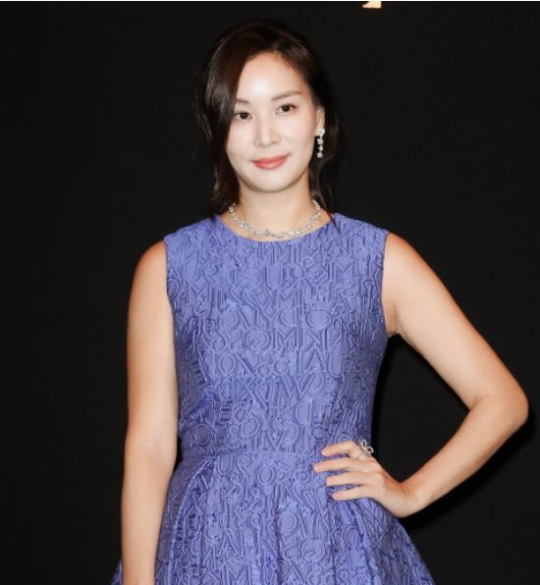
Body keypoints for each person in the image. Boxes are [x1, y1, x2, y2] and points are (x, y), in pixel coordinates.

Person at [111, 17, 528, 585]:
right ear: (218, 127)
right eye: (241, 114)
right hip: (206, 550)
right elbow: (150, 447)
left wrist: (410, 493)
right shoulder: (168, 267)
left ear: (320, 119)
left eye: (285, 107)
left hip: (338, 552)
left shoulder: (378, 260)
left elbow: (502, 400)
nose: (265, 135)